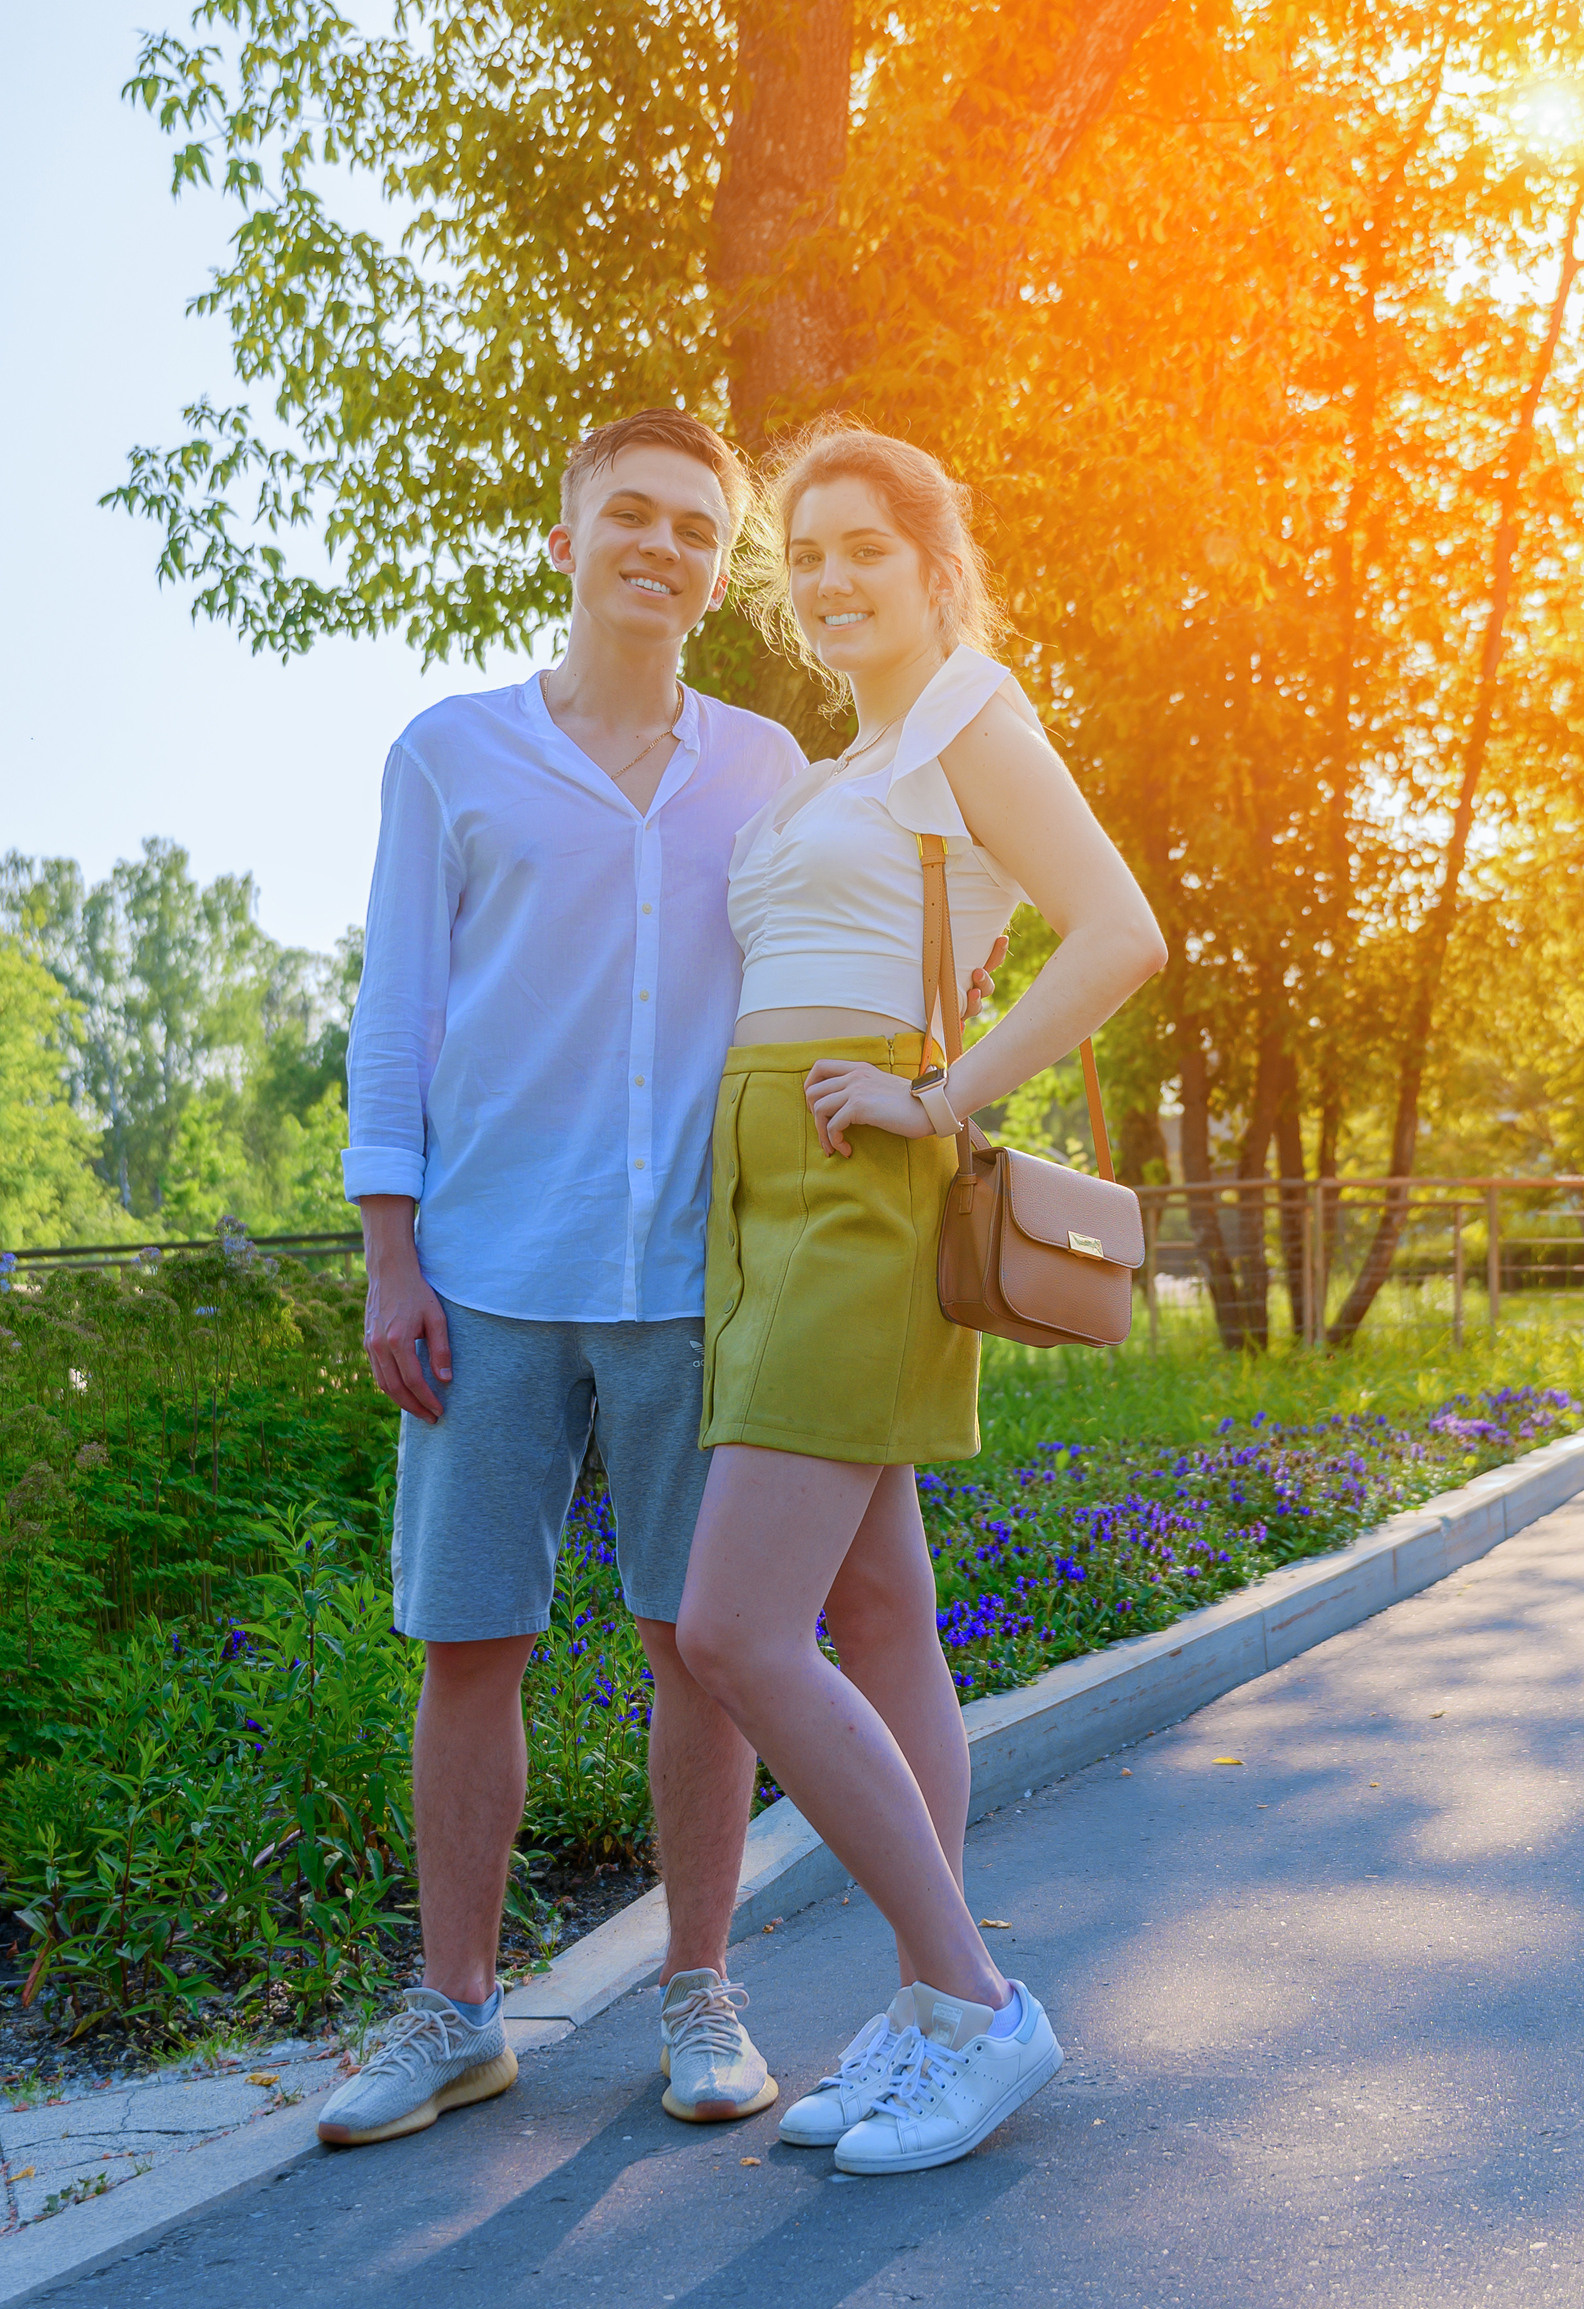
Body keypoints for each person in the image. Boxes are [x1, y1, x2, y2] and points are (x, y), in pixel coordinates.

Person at [674, 419, 1168, 2177]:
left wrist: (943, 1102)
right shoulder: (826, 768)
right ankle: (914, 2009)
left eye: (860, 550)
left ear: (931, 561)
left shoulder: (966, 709)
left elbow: (1117, 931)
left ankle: (976, 2002)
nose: (827, 584)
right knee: (881, 1625)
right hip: (764, 1188)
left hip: (862, 1180)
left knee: (737, 1632)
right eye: (802, 560)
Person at [314, 409, 810, 2147]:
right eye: (630, 516)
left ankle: (698, 1997)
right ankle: (456, 2014)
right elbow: (400, 1013)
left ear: (717, 568)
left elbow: (824, 975)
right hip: (485, 1268)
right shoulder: (448, 755)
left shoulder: (767, 772)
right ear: (568, 537)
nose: (658, 547)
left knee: (702, 1648)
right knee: (472, 1644)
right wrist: (391, 1252)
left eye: (693, 527)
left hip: (692, 1281)